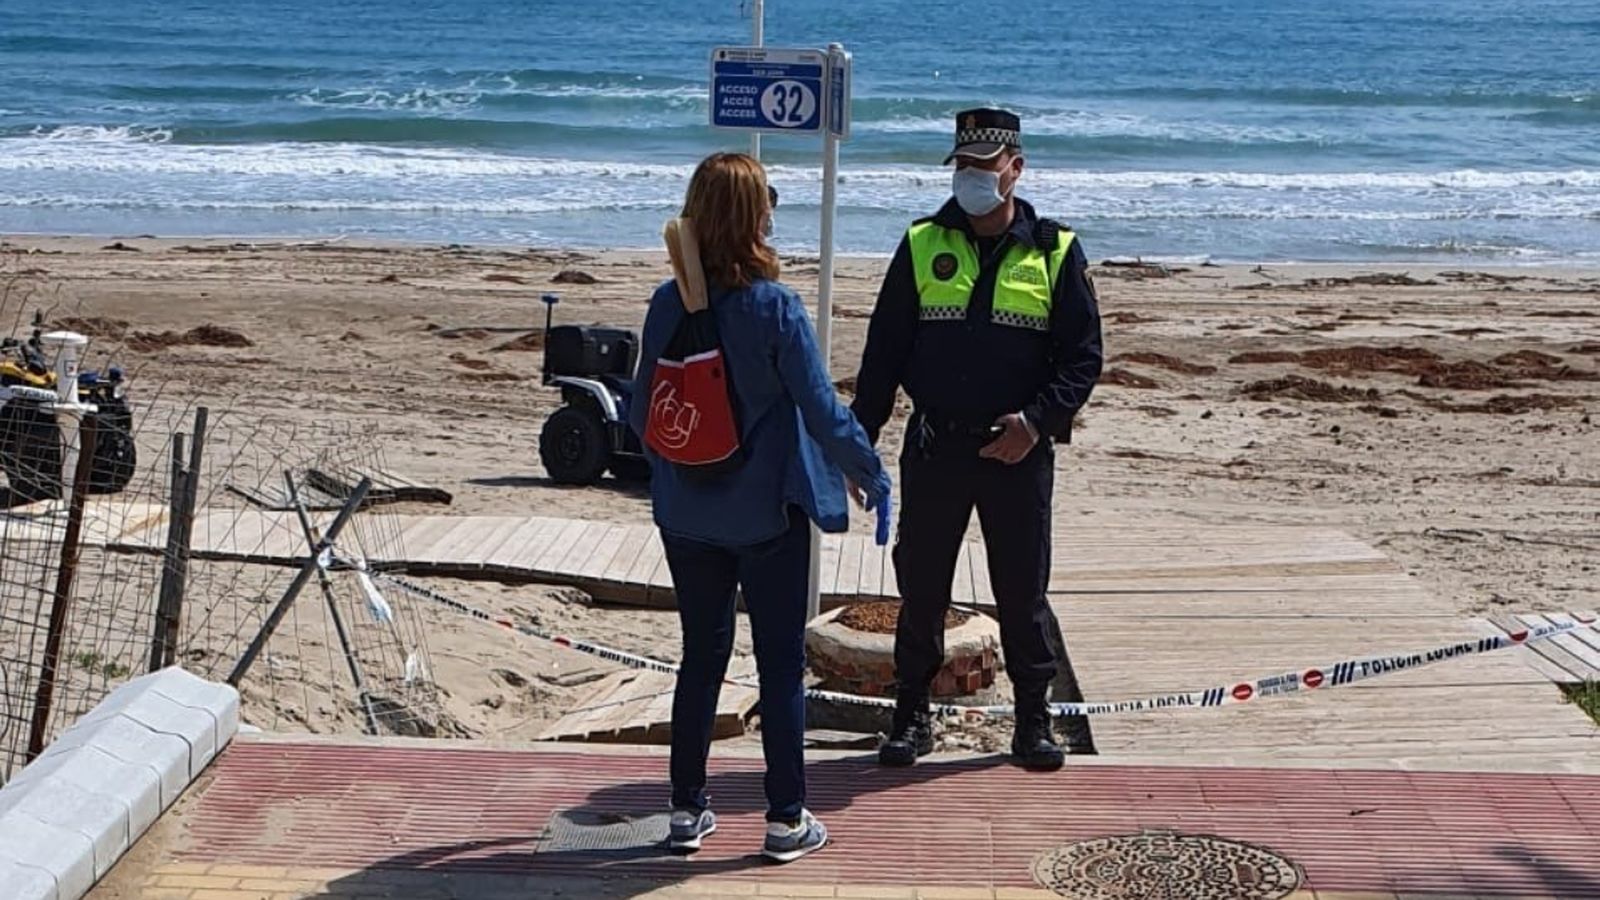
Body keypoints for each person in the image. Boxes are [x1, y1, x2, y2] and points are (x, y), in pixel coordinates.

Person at [629, 152, 891, 862]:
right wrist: (868, 472)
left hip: (687, 516)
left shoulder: (666, 303)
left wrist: (676, 472)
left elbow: (638, 411)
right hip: (767, 517)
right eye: (768, 199)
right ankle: (785, 820)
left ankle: (686, 812)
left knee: (700, 659)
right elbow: (824, 410)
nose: (776, 208)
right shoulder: (775, 309)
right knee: (778, 665)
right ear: (753, 218)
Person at [849, 108, 1104, 771]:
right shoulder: (920, 243)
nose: (971, 178)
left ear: (1015, 169)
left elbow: (1082, 359)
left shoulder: (1055, 250)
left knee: (1022, 591)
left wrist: (1036, 423)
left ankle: (1032, 720)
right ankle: (911, 717)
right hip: (937, 449)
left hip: (1017, 452)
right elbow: (884, 355)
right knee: (922, 589)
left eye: (983, 168)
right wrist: (860, 441)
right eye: (961, 166)